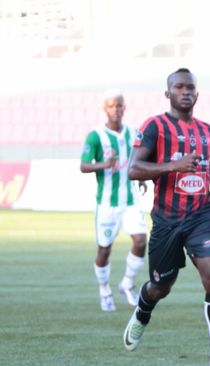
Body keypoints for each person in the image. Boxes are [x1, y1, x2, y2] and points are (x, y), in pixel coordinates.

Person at [123, 68, 210, 366]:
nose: (185, 92)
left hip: (201, 215)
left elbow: (203, 163)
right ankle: (142, 312)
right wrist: (174, 165)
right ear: (168, 93)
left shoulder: (206, 131)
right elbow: (134, 169)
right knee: (161, 286)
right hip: (166, 221)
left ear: (197, 95)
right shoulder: (154, 127)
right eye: (179, 87)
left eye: (190, 88)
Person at [79, 89, 148, 312]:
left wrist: (143, 177)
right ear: (105, 109)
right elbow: (84, 165)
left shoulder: (134, 133)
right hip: (107, 204)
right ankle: (104, 290)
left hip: (130, 202)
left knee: (140, 241)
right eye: (111, 106)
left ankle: (127, 284)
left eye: (119, 106)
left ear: (124, 108)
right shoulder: (95, 136)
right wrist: (103, 164)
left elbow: (140, 161)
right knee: (104, 250)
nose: (116, 110)